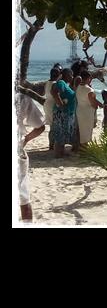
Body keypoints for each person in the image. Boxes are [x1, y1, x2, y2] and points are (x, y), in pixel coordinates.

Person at [17, 92, 46, 222]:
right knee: (23, 199)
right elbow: (40, 126)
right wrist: (25, 140)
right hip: (16, 151)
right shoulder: (21, 97)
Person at [49, 68, 79, 158]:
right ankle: (58, 154)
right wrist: (61, 105)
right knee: (60, 134)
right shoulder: (61, 83)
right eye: (71, 75)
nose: (72, 76)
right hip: (62, 114)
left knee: (62, 134)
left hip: (66, 113)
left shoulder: (66, 84)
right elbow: (54, 92)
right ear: (67, 75)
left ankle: (61, 152)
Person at [75, 71, 106, 146]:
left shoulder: (78, 87)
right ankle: (85, 147)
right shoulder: (89, 89)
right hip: (87, 112)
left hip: (79, 110)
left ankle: (82, 146)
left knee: (82, 130)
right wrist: (99, 105)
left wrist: (98, 103)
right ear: (88, 78)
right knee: (87, 130)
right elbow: (93, 102)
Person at [43, 67, 60, 150]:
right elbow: (56, 96)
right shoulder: (55, 84)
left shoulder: (47, 82)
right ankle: (52, 145)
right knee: (55, 126)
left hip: (47, 104)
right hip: (53, 105)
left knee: (51, 127)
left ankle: (51, 144)